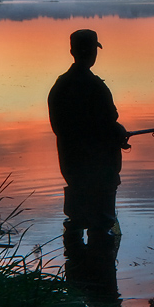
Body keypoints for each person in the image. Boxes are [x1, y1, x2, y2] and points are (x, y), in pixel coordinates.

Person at [48, 29, 129, 239]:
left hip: (71, 165)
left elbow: (57, 127)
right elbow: (109, 123)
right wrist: (119, 134)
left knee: (75, 222)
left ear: (72, 51)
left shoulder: (60, 86)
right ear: (94, 52)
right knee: (101, 224)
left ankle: (74, 266)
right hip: (101, 169)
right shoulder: (96, 87)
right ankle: (99, 266)